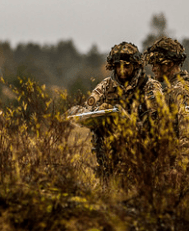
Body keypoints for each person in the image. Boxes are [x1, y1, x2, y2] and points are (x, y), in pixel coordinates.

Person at [69, 42, 162, 180]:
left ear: (136, 65)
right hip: (111, 154)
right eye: (118, 66)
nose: (122, 71)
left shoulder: (150, 86)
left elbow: (158, 121)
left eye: (127, 66)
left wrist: (127, 118)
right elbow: (84, 108)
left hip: (143, 151)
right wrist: (94, 111)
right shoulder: (106, 85)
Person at [143, 37, 189, 167]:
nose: (152, 69)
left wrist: (180, 169)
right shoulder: (172, 90)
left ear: (168, 64)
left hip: (184, 172)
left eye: (155, 64)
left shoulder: (183, 90)